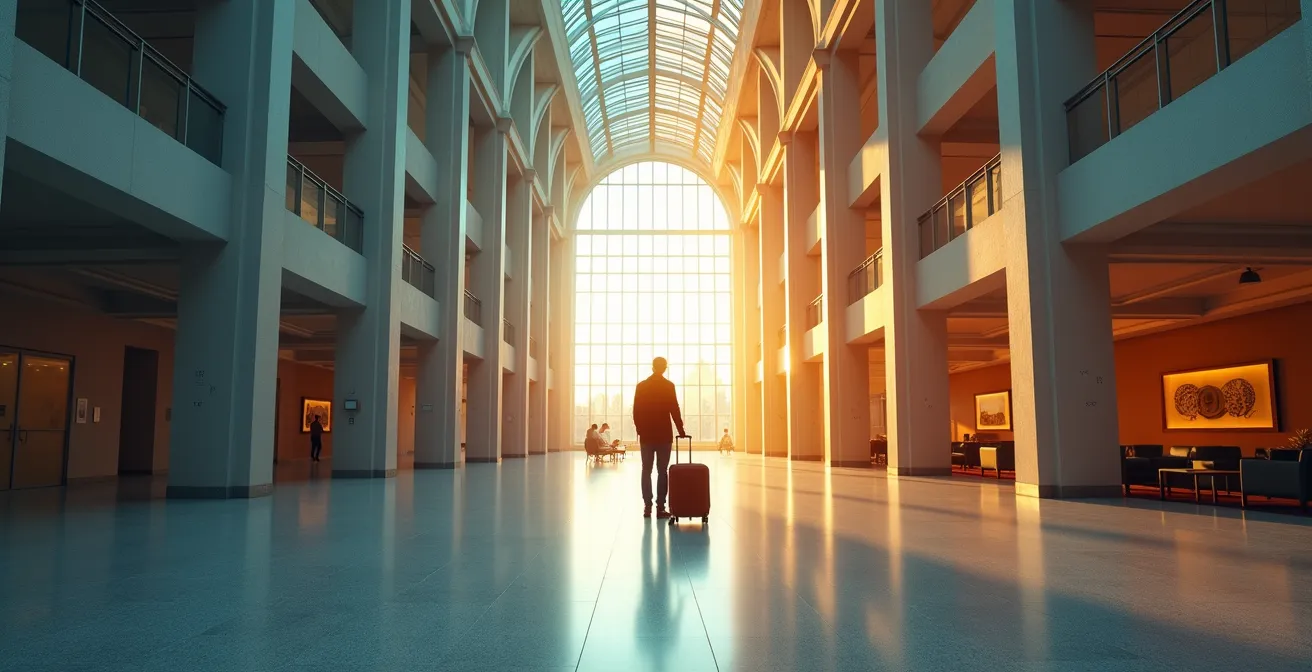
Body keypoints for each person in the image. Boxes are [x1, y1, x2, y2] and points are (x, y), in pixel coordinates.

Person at [632, 357, 686, 519]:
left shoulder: (641, 386)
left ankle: (647, 507)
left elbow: (636, 411)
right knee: (662, 471)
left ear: (652, 367)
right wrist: (681, 430)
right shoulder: (669, 386)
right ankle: (661, 507)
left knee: (646, 469)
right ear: (665, 368)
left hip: (647, 436)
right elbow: (674, 409)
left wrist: (641, 430)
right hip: (664, 435)